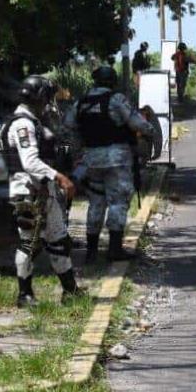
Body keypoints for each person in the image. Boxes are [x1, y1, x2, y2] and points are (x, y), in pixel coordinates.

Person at [0, 75, 81, 307]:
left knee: (58, 240)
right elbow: (30, 162)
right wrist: (60, 177)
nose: (49, 102)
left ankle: (71, 291)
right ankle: (24, 294)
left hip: (42, 191)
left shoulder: (32, 120)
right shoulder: (23, 124)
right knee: (29, 242)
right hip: (30, 191)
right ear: (38, 97)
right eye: (47, 97)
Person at [74, 65, 155, 263]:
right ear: (112, 81)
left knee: (95, 202)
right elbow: (137, 123)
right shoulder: (116, 99)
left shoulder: (81, 103)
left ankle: (91, 251)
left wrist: (79, 151)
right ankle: (114, 249)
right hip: (116, 160)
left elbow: (68, 127)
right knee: (118, 201)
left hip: (91, 159)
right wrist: (149, 130)